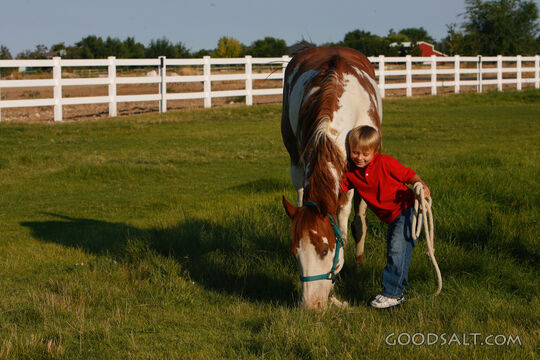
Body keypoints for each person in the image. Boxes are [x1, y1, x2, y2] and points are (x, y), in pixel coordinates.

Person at [340, 125, 430, 309]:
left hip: (406, 209)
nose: (360, 158)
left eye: (365, 154)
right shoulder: (350, 172)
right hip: (391, 217)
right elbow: (337, 189)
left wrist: (420, 184)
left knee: (397, 249)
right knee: (398, 252)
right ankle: (400, 290)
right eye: (355, 152)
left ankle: (392, 293)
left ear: (375, 151)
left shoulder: (385, 162)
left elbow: (409, 174)